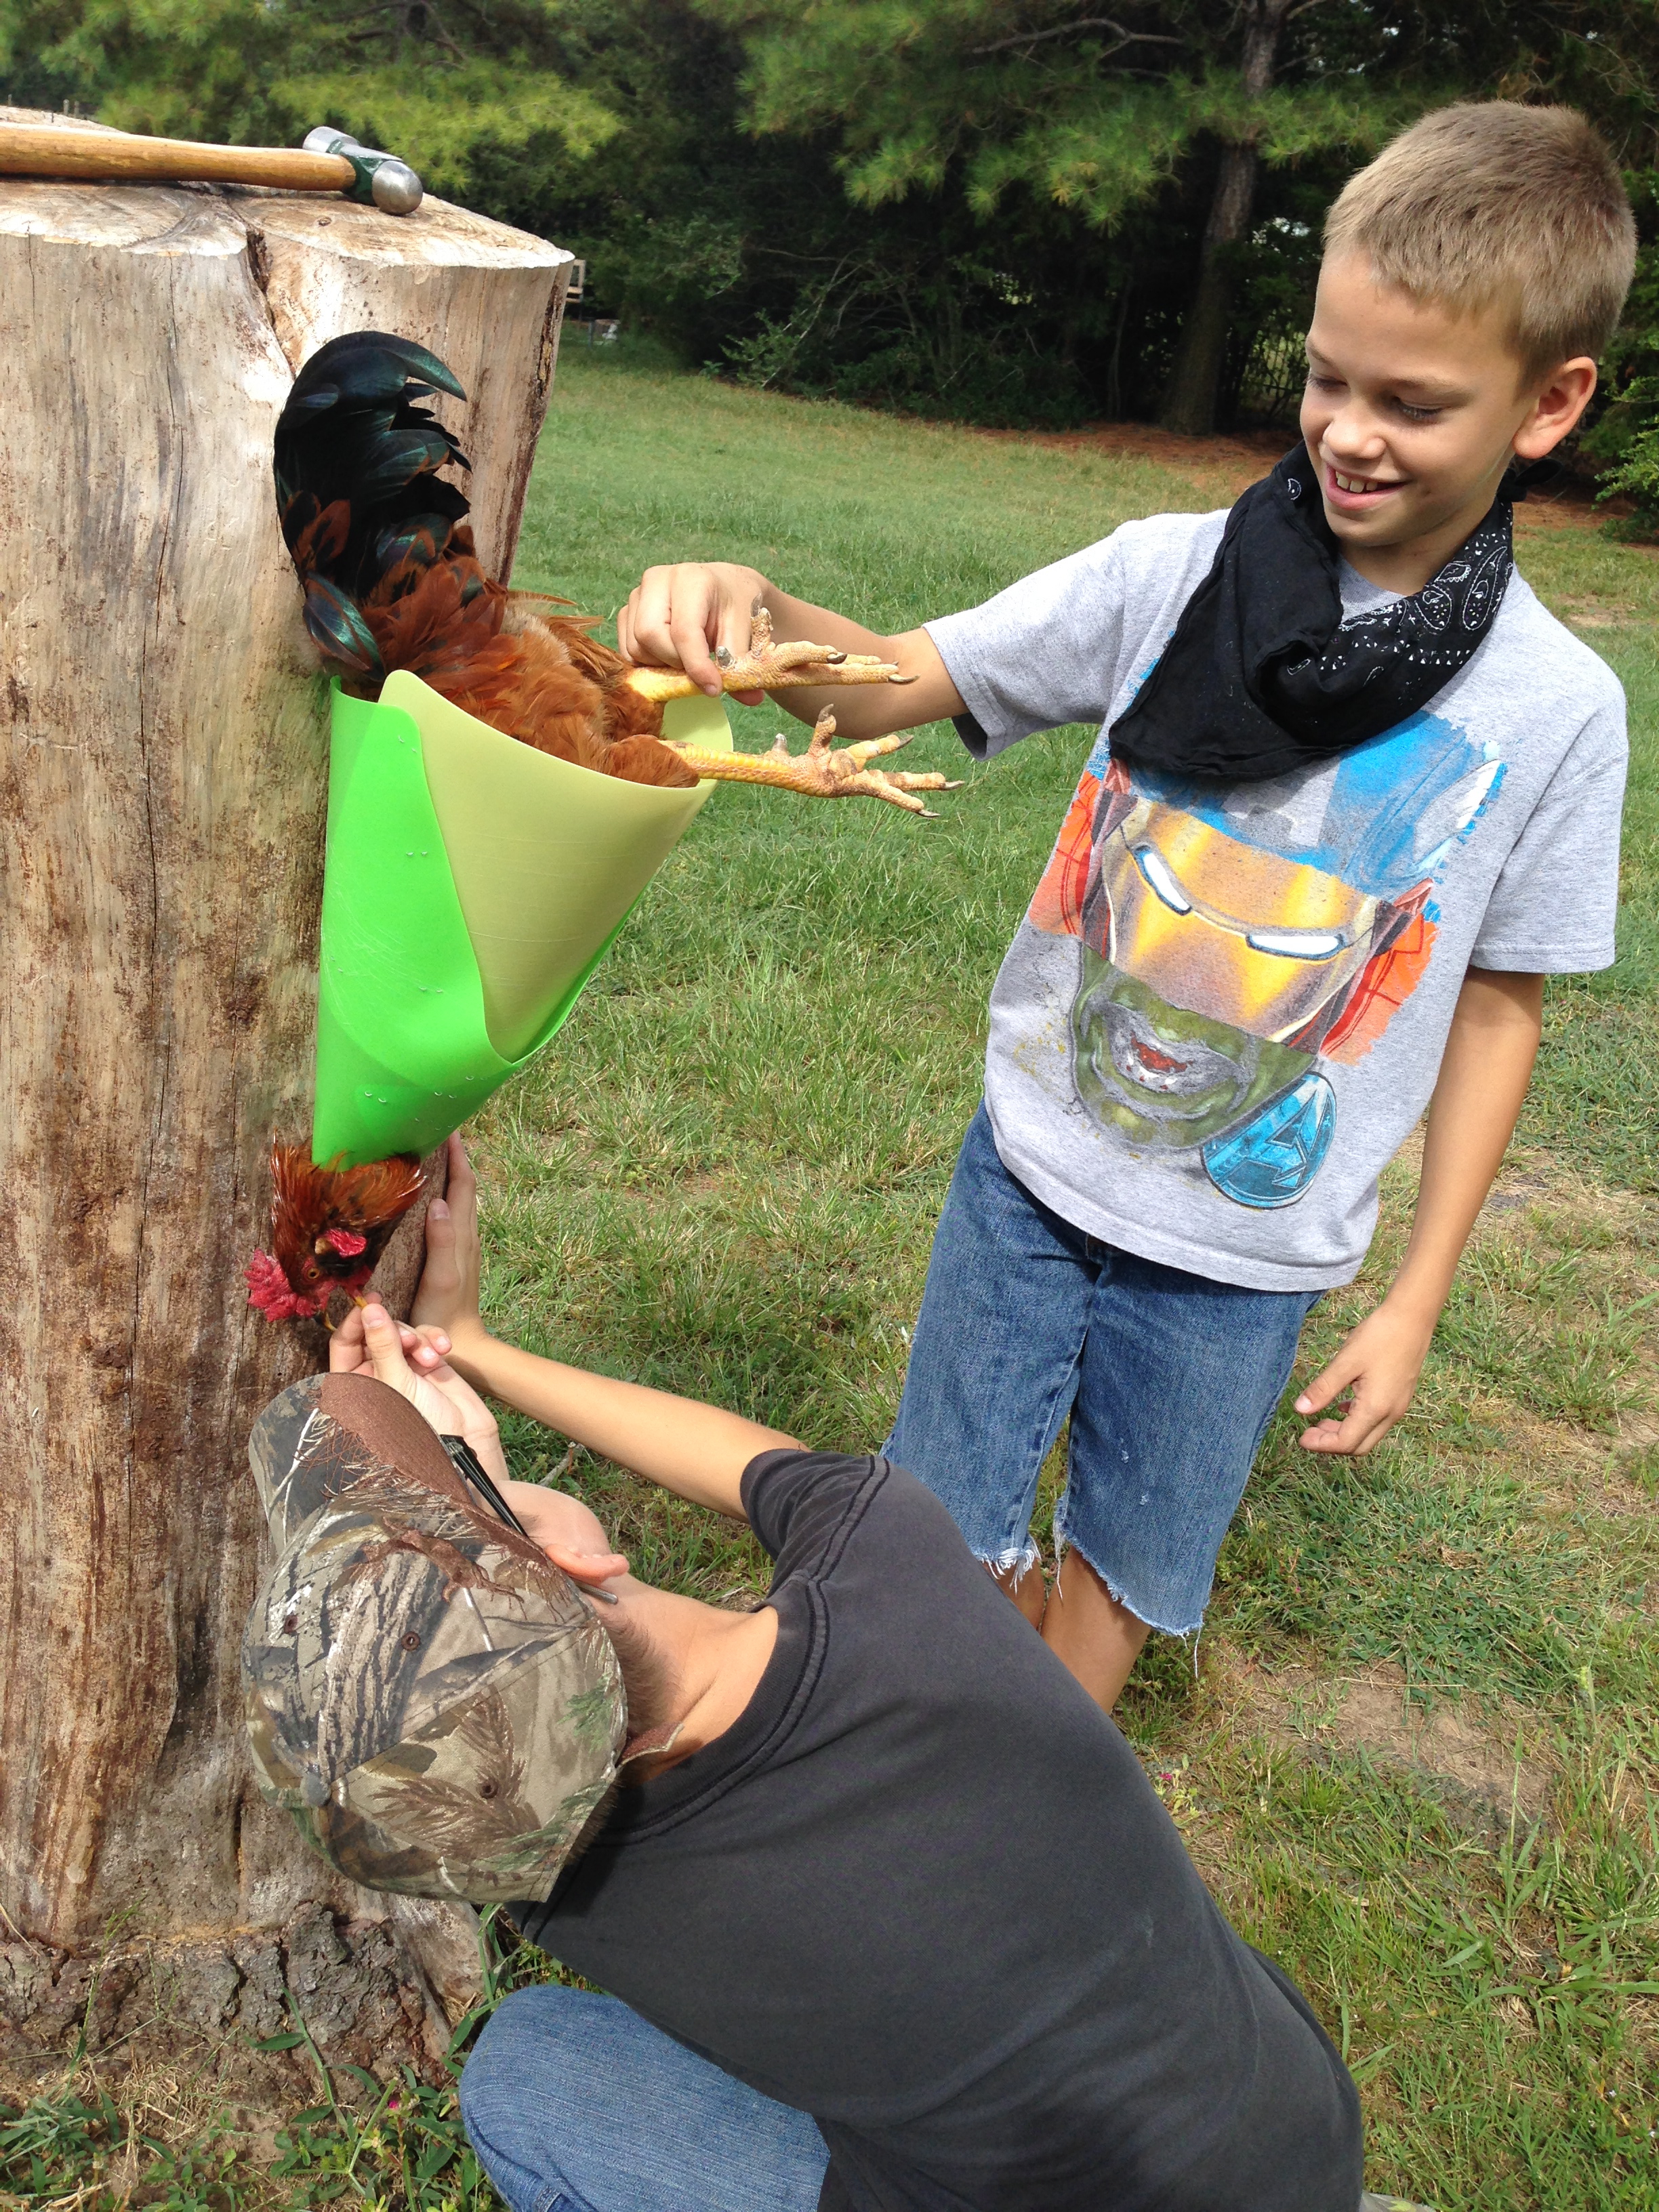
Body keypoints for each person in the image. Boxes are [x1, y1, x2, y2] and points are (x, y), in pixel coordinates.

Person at [616, 102, 1636, 1709]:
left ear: (1550, 403)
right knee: (934, 1534)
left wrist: (1419, 1293)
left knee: (1127, 1570)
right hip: (1028, 1172)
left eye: (1413, 403)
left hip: (1248, 1255)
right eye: (1327, 379)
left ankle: (1043, 1766)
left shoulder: (1559, 709)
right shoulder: (1171, 575)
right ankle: (921, 1728)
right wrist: (755, 608)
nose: (1348, 433)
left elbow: (1503, 1006)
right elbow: (905, 679)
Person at [324, 1136, 1425, 2212]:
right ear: (579, 1561)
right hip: (1291, 2143)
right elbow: (759, 1470)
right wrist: (477, 1358)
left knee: (522, 2065)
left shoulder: (567, 1890)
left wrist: (464, 1486)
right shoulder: (897, 1570)